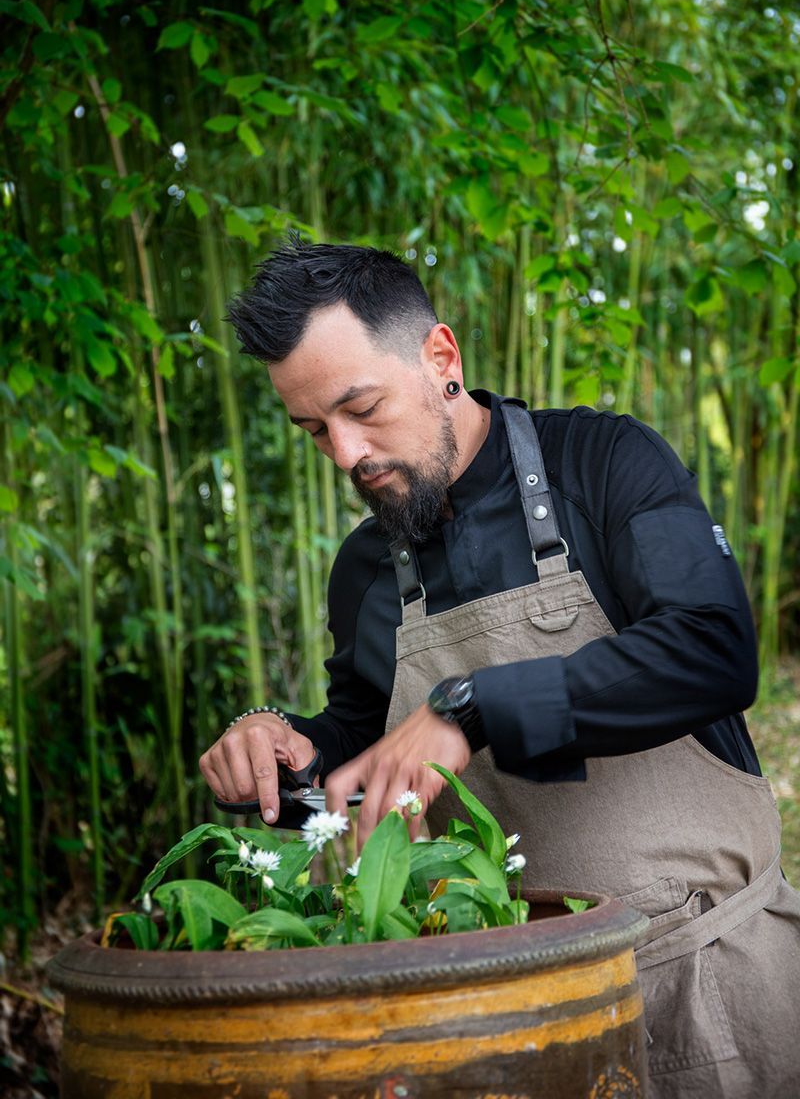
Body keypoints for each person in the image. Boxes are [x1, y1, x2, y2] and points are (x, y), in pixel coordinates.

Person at [200, 239, 800, 1098]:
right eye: (314, 430)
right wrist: (281, 753)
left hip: (706, 991)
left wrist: (473, 707)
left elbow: (713, 647)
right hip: (495, 1026)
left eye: (361, 408)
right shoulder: (363, 572)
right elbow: (369, 757)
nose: (345, 454)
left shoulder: (605, 462)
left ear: (440, 358)